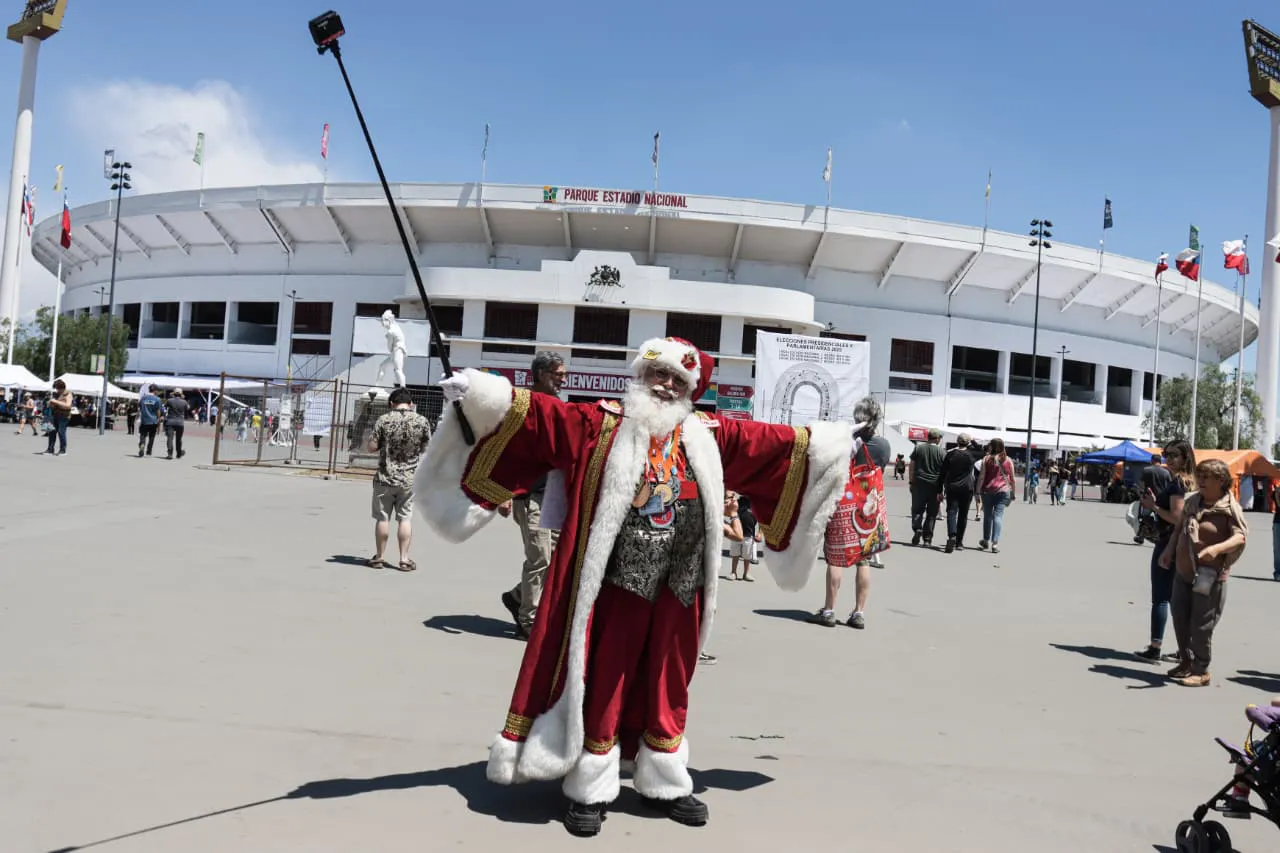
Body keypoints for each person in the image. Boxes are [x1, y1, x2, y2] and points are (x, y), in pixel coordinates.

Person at [415, 336, 857, 837]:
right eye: (658, 373)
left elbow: (772, 445)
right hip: (614, 583)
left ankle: (664, 776)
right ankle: (592, 781)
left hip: (682, 583)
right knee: (608, 673)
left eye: (678, 379)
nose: (666, 385)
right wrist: (480, 391)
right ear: (640, 375)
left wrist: (835, 440)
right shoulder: (599, 423)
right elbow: (539, 417)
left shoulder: (708, 432)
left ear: (691, 389)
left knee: (672, 679)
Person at [1161, 458, 1247, 687]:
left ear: (1220, 480)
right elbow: (1179, 528)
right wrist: (1169, 551)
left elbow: (1240, 537)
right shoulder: (1194, 502)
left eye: (1205, 477)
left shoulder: (1229, 507)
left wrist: (1216, 549)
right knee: (1180, 617)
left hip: (1210, 576)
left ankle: (1201, 669)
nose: (1200, 481)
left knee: (1201, 624)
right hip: (1184, 571)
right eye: (1199, 476)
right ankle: (1186, 662)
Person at [499, 352, 566, 640]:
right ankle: (529, 621)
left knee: (557, 560)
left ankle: (517, 597)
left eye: (564, 374)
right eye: (557, 373)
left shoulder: (559, 406)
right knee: (539, 558)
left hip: (554, 496)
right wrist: (502, 493)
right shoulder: (520, 405)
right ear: (540, 374)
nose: (562, 378)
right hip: (529, 496)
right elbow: (504, 450)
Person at [807, 395, 886, 629]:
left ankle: (829, 609)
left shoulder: (844, 440)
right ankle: (859, 613)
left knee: (836, 558)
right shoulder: (883, 446)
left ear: (857, 417)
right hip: (870, 506)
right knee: (864, 561)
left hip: (844, 503)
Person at [1135, 441, 1194, 662]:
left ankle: (1155, 646)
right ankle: (1185, 649)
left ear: (1185, 457)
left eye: (1173, 455)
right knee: (1183, 599)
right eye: (1165, 454)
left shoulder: (1179, 483)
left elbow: (1177, 517)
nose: (1168, 459)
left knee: (1161, 598)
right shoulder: (1195, 482)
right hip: (1188, 545)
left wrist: (1154, 507)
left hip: (1170, 541)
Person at [368, 387, 432, 571]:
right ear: (411, 404)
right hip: (409, 479)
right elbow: (427, 449)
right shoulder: (422, 421)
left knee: (382, 518)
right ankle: (404, 558)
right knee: (405, 518)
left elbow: (371, 446)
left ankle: (379, 557)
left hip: (385, 477)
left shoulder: (384, 419)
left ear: (391, 403)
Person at [908, 428, 944, 546]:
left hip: (919, 483)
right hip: (935, 485)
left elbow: (912, 465)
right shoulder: (942, 452)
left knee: (917, 509)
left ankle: (917, 528)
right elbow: (944, 472)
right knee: (932, 513)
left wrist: (911, 481)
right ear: (937, 438)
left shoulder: (918, 448)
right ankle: (927, 538)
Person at [941, 433, 976, 553]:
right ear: (968, 443)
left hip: (952, 487)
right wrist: (973, 441)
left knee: (951, 512)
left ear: (957, 441)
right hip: (967, 488)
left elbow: (943, 473)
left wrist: (939, 490)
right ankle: (959, 542)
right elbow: (982, 451)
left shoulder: (950, 455)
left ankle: (952, 536)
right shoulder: (971, 455)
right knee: (963, 515)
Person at [977, 438, 1014, 553]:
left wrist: (977, 491)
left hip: (988, 491)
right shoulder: (1008, 460)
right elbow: (1012, 478)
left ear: (992, 447)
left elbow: (982, 476)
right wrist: (1012, 492)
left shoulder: (986, 459)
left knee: (988, 516)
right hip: (1003, 491)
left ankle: (985, 540)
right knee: (998, 516)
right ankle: (995, 544)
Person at [44, 380, 72, 456]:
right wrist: (50, 403)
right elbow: (54, 405)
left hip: (64, 416)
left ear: (61, 387)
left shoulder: (68, 394)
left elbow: (68, 405)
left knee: (61, 432)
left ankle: (63, 450)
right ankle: (50, 449)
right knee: (52, 432)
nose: (56, 390)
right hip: (55, 415)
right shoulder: (57, 394)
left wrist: (55, 402)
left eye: (57, 388)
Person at [137, 386, 164, 457]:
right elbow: (158, 410)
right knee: (151, 436)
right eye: (157, 391)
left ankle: (142, 444)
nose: (158, 392)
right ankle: (149, 451)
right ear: (154, 390)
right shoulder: (157, 399)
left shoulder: (143, 398)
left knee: (143, 435)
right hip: (153, 421)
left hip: (144, 420)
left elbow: (139, 407)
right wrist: (159, 419)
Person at [164, 389, 190, 460]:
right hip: (180, 422)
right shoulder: (184, 402)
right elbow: (187, 410)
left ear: (174, 394)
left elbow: (164, 408)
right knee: (178, 439)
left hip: (170, 421)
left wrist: (165, 415)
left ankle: (170, 454)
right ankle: (178, 454)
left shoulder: (169, 400)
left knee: (170, 438)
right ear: (181, 394)